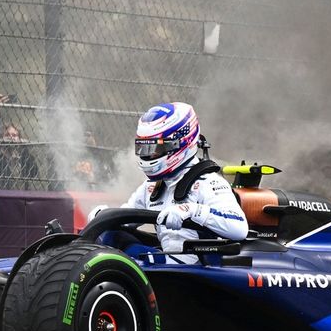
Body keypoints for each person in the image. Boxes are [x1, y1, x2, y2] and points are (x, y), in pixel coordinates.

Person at [91, 102, 248, 263]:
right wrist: (104, 217)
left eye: (155, 149)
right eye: (144, 148)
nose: (149, 156)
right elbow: (126, 218)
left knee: (125, 258)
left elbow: (239, 228)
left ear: (180, 143)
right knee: (109, 236)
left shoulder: (209, 182)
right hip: (168, 267)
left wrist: (193, 210)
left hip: (201, 271)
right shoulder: (151, 187)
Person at [0, 94, 41, 190]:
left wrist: (22, 148)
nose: (11, 138)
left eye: (14, 135)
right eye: (7, 135)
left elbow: (34, 172)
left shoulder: (23, 157)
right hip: (0, 196)